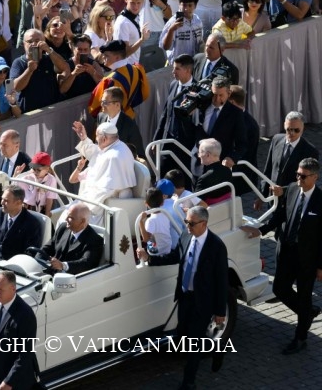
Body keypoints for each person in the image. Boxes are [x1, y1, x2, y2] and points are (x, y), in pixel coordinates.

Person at [137, 206, 229, 386]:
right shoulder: (185, 236)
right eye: (186, 222)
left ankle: (189, 382)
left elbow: (222, 281)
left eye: (191, 223)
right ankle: (217, 349)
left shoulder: (216, 246)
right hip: (185, 297)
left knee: (194, 341)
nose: (187, 226)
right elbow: (174, 257)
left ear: (203, 224)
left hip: (203, 301)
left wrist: (220, 311)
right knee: (184, 335)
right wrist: (150, 258)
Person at [241, 158, 322, 355]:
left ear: (315, 177)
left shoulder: (320, 200)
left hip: (308, 259)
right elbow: (281, 215)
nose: (298, 179)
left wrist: (320, 266)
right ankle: (307, 312)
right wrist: (261, 230)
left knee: (304, 295)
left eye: (303, 176)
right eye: (297, 174)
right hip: (287, 251)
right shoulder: (292, 189)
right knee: (279, 288)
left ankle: (300, 337)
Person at [70, 121, 138, 225]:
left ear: (105, 139)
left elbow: (105, 191)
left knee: (72, 218)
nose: (96, 140)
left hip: (101, 208)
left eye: (97, 137)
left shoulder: (114, 157)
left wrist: (84, 205)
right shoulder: (115, 146)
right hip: (94, 200)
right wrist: (84, 138)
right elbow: (97, 153)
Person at [257, 111, 320, 210]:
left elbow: (307, 181)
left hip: (292, 201)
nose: (292, 133)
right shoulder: (276, 139)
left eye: (296, 130)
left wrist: (284, 190)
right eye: (289, 129)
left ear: (303, 128)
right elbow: (268, 169)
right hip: (272, 199)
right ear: (284, 126)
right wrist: (261, 196)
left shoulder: (310, 151)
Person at [187, 77, 247, 174]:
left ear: (229, 94)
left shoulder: (236, 114)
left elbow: (242, 144)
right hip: (198, 163)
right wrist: (186, 116)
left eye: (221, 95)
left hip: (219, 166)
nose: (216, 99)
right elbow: (190, 130)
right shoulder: (200, 106)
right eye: (214, 94)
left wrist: (232, 158)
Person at [153, 54, 199, 177]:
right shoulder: (173, 84)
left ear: (188, 70)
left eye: (177, 69)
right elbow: (165, 114)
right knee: (164, 175)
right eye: (174, 68)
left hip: (185, 146)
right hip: (168, 142)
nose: (173, 72)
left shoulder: (197, 90)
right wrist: (157, 139)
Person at [0, 186, 44, 260]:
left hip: (15, 265)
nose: (2, 202)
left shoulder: (32, 224)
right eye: (2, 199)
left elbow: (30, 254)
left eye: (6, 201)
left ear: (18, 202)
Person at [88, 40, 150, 119]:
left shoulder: (110, 80)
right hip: (129, 117)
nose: (103, 57)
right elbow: (145, 94)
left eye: (106, 55)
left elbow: (93, 108)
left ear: (117, 57)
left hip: (112, 121)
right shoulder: (137, 69)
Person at [10, 28, 69, 113]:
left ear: (44, 42)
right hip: (30, 112)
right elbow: (15, 87)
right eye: (30, 41)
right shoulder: (18, 62)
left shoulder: (50, 58)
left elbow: (64, 68)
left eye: (37, 41)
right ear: (24, 44)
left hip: (52, 109)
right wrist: (29, 70)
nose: (34, 44)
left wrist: (49, 50)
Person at [41, 202, 104, 273]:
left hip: (71, 278)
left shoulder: (94, 240)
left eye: (70, 217)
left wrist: (63, 265)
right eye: (67, 215)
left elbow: (86, 263)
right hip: (49, 273)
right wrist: (38, 258)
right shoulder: (63, 228)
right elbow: (48, 247)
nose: (66, 219)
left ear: (82, 221)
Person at [96, 86, 145, 158]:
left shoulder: (129, 125)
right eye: (102, 101)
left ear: (117, 105)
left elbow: (139, 154)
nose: (102, 105)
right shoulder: (101, 117)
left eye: (105, 102)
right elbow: (97, 144)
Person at [160, 0, 203, 66]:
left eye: (190, 5)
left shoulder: (197, 21)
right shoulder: (173, 22)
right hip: (177, 65)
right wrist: (171, 30)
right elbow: (165, 47)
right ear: (179, 4)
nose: (186, 9)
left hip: (193, 63)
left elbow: (200, 42)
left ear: (195, 5)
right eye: (184, 5)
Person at [58, 34, 104, 99]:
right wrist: (74, 74)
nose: (82, 52)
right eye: (79, 49)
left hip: (90, 99)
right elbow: (62, 90)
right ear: (73, 49)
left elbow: (103, 85)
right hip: (72, 101)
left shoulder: (94, 64)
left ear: (89, 50)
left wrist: (93, 73)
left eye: (85, 49)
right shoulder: (67, 65)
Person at [14, 152, 59, 217]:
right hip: (27, 208)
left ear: (47, 169)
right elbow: (14, 189)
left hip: (42, 208)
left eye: (38, 170)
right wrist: (16, 176)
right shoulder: (27, 177)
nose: (35, 172)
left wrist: (47, 214)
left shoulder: (51, 179)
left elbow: (49, 199)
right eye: (33, 169)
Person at [194, 138, 235, 204]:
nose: (199, 155)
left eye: (200, 152)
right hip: (228, 208)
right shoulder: (228, 171)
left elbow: (197, 204)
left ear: (208, 155)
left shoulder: (204, 179)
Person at [138, 187, 172, 256]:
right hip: (167, 250)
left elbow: (146, 239)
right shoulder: (166, 215)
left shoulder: (151, 220)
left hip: (158, 254)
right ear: (162, 203)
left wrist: (140, 222)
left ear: (146, 203)